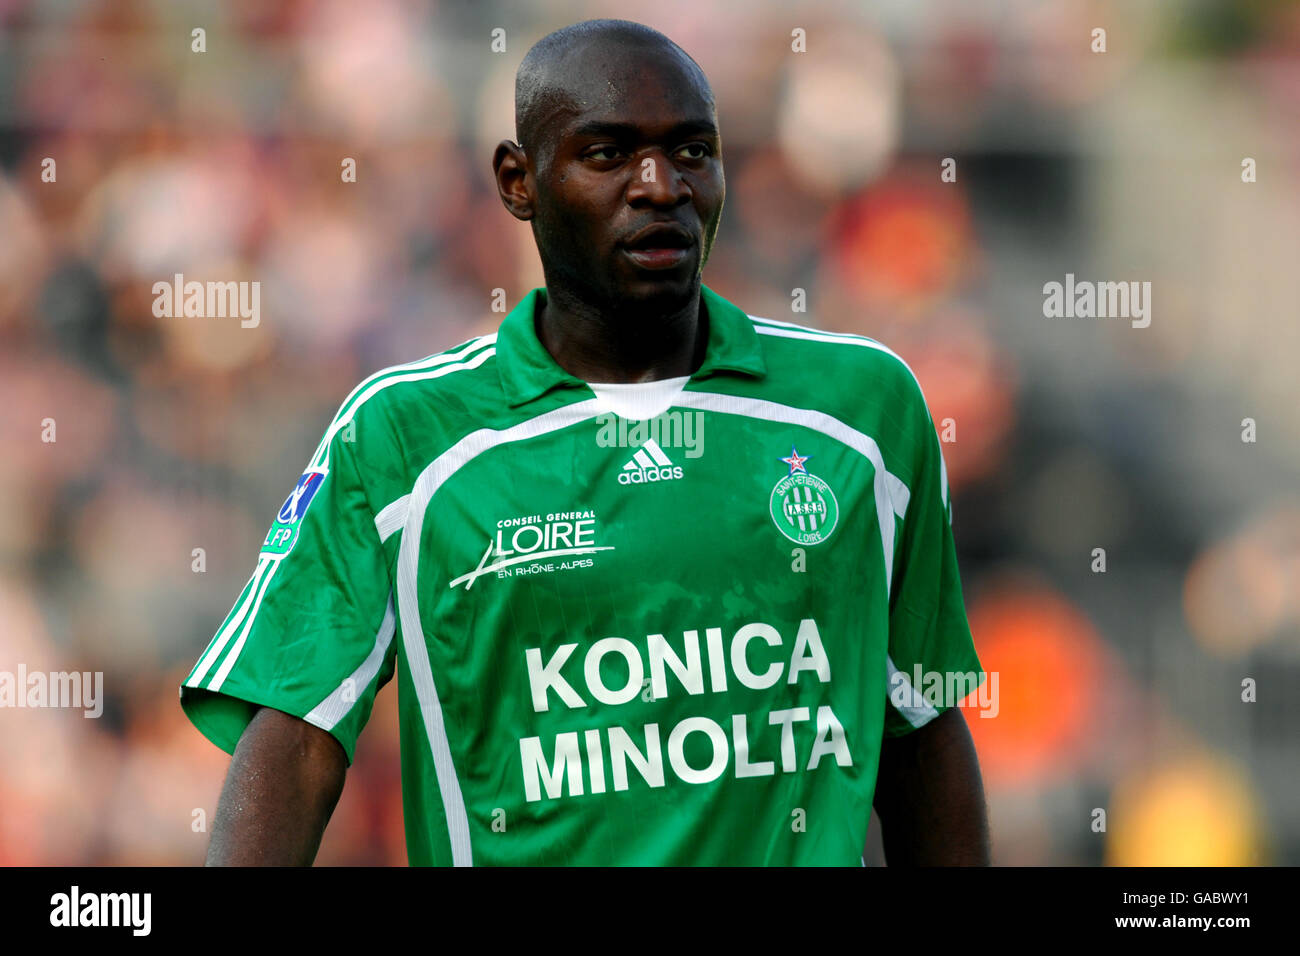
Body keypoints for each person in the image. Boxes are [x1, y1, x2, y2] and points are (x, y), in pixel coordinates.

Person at [181, 17, 990, 866]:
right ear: (518, 180)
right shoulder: (403, 435)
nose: (659, 186)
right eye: (607, 155)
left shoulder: (865, 410)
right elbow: (298, 738)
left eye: (691, 151)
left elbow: (922, 722)